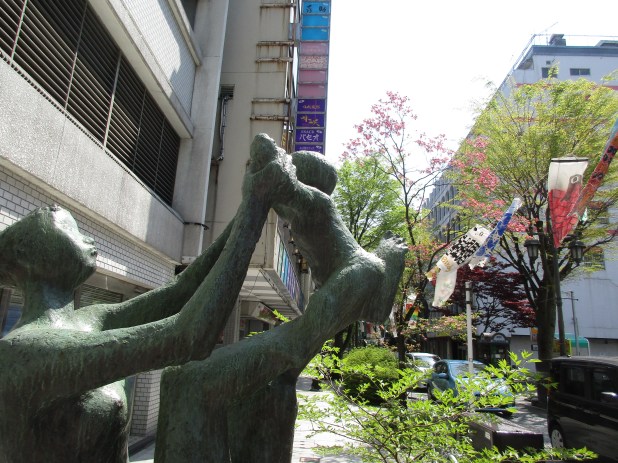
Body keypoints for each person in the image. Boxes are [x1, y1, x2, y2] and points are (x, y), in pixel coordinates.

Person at [0, 135, 296, 463]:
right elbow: (187, 337)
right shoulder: (25, 350)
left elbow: (181, 290)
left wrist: (250, 202)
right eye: (71, 230)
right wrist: (255, 206)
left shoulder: (89, 319)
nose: (87, 238)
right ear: (28, 256)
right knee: (188, 384)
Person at [156, 134, 408, 462]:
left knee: (290, 346)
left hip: (357, 273)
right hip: (355, 275)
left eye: (293, 167)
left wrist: (269, 157)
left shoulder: (317, 202)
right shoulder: (308, 210)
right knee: (280, 370)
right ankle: (263, 400)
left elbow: (279, 177)